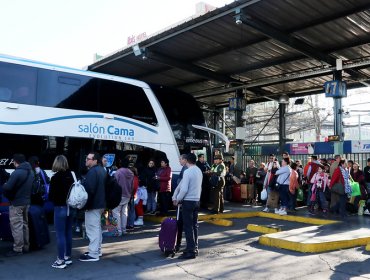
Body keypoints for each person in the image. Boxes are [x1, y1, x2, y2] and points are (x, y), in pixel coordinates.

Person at [172, 153, 202, 259]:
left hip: (188, 201)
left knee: (188, 227)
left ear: (186, 160)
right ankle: (194, 247)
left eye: (181, 159)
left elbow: (184, 189)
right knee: (194, 225)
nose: (180, 161)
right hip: (196, 201)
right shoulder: (198, 170)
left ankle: (190, 251)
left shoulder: (188, 172)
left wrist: (177, 199)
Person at [2, 154, 33, 257]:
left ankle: (18, 248)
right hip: (26, 202)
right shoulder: (30, 171)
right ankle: (26, 246)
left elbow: (8, 187)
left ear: (16, 162)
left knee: (16, 226)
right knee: (24, 224)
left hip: (16, 203)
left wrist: (4, 185)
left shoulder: (17, 172)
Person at [79, 152, 106, 262]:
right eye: (86, 158)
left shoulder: (92, 172)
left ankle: (93, 253)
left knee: (92, 229)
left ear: (95, 160)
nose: (86, 160)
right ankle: (97, 250)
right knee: (97, 228)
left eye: (89, 159)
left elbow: (88, 189)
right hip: (101, 204)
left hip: (93, 205)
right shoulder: (102, 170)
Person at [48, 155, 74, 269]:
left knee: (60, 235)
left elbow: (51, 196)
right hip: (71, 207)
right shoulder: (71, 175)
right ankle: (67, 256)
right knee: (68, 232)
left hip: (60, 208)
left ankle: (60, 260)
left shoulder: (55, 178)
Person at [112, 158, 134, 236]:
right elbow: (132, 186)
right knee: (124, 212)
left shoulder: (118, 172)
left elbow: (115, 184)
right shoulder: (131, 173)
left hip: (119, 195)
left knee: (116, 212)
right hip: (128, 195)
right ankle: (124, 229)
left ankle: (118, 230)